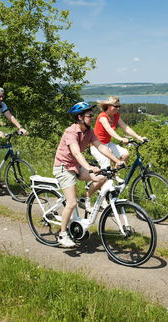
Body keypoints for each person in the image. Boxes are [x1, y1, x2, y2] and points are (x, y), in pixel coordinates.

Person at [53, 102, 124, 248]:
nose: (92, 117)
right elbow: (76, 153)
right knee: (71, 203)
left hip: (77, 166)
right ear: (80, 117)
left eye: (92, 115)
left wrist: (117, 160)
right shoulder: (70, 132)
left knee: (103, 177)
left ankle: (85, 198)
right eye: (89, 115)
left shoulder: (89, 131)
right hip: (64, 167)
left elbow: (101, 146)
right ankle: (62, 234)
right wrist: (89, 168)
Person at [90, 96, 147, 182]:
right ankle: (100, 188)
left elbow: (126, 128)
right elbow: (109, 130)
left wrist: (139, 137)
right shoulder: (102, 117)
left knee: (125, 154)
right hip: (97, 146)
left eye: (119, 106)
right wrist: (120, 138)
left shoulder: (116, 115)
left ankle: (114, 175)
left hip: (107, 144)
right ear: (109, 106)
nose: (118, 108)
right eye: (116, 106)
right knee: (106, 168)